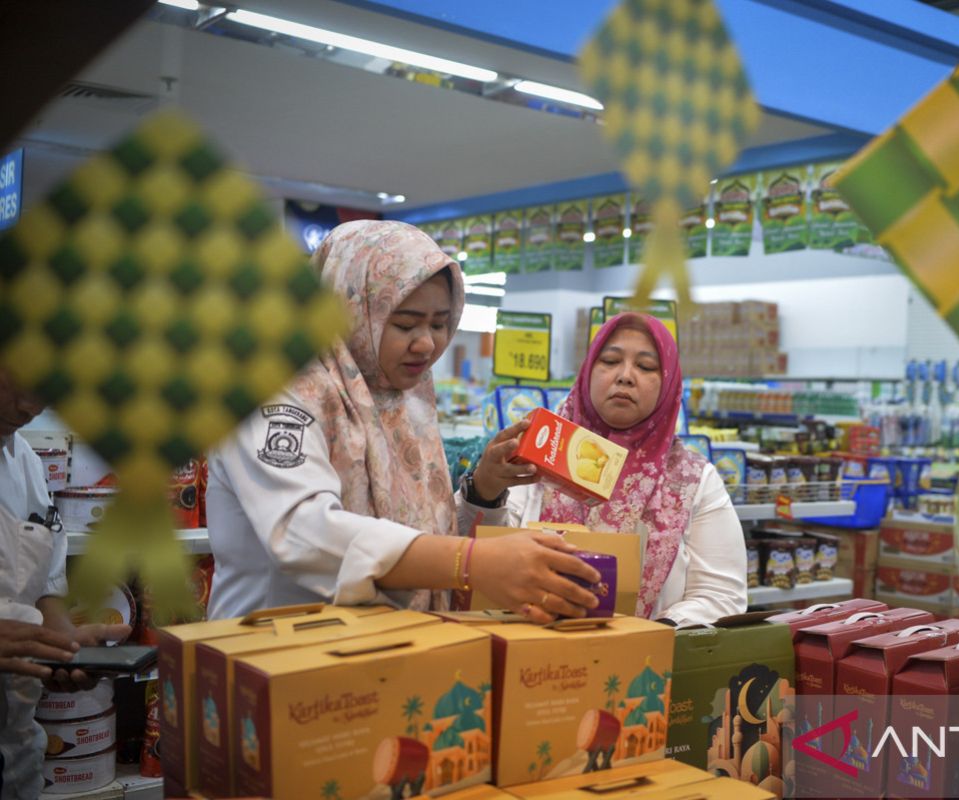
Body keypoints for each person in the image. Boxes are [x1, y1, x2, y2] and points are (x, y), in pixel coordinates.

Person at [205, 221, 598, 624]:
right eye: (405, 324)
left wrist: (484, 490)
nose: (427, 343)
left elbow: (426, 536)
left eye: (440, 324)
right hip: (271, 657)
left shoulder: (403, 401)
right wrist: (470, 561)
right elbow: (303, 534)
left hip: (381, 657)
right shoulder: (273, 390)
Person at [462, 312, 748, 627]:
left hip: (649, 662)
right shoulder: (539, 455)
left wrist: (652, 632)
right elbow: (468, 561)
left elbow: (722, 596)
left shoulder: (693, 480)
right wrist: (483, 492)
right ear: (586, 374)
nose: (625, 376)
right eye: (610, 361)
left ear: (668, 384)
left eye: (646, 366)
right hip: (532, 652)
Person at [0, 369, 130, 799]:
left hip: (14, 750)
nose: (27, 407)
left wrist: (62, 646)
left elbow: (41, 588)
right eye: (10, 378)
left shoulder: (26, 465)